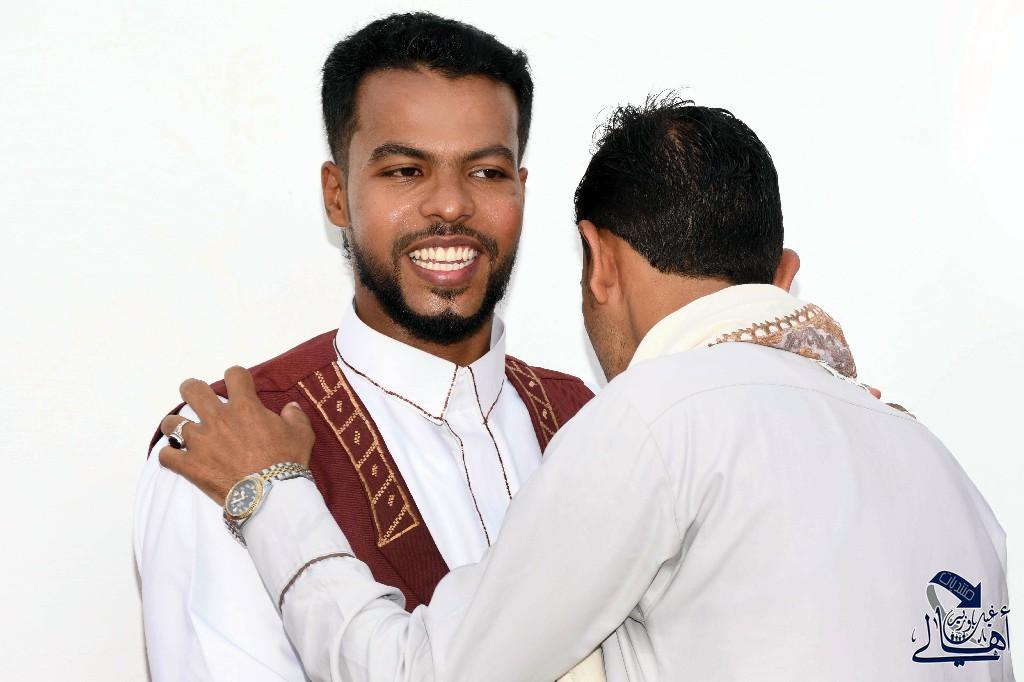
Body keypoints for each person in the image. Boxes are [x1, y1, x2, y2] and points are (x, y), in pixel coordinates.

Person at [161, 97, 1013, 681]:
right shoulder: (935, 464)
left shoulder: (655, 421)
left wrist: (270, 492)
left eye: (487, 172)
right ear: (782, 274)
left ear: (600, 260)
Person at [133, 13, 601, 681]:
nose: (450, 206)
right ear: (337, 195)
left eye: (486, 172)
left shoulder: (590, 421)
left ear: (521, 191)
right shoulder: (227, 441)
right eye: (406, 170)